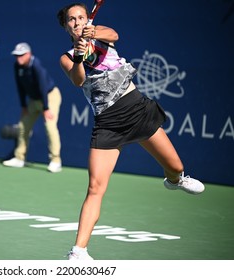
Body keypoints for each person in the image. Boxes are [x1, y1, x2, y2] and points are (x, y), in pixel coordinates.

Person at [57, 3, 205, 260]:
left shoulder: (100, 34)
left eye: (81, 16)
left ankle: (175, 180)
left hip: (138, 110)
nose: (78, 21)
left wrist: (93, 34)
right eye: (72, 19)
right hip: (108, 123)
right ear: (66, 26)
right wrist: (80, 54)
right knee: (95, 187)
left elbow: (113, 34)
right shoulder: (67, 57)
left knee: (175, 166)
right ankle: (78, 251)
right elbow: (78, 80)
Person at [2, 42, 63, 173]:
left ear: (29, 54)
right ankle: (19, 158)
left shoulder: (36, 66)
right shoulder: (17, 66)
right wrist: (23, 105)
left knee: (50, 126)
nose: (18, 58)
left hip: (49, 96)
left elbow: (43, 87)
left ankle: (55, 161)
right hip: (33, 100)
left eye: (21, 55)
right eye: (16, 56)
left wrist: (46, 108)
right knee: (23, 126)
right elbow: (20, 87)